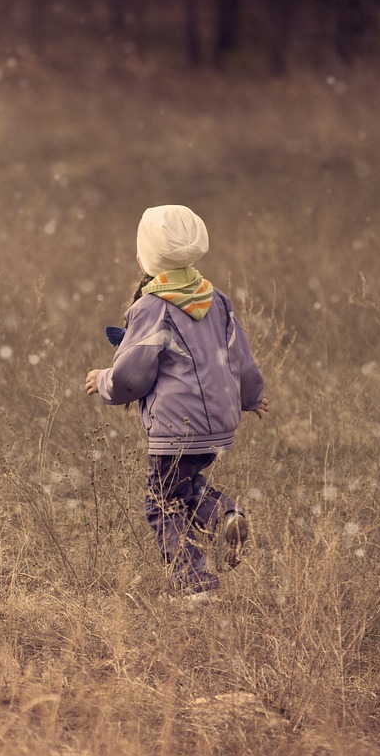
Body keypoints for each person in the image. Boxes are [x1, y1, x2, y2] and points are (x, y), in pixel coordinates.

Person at [85, 204, 268, 598]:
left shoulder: (153, 308)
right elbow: (241, 358)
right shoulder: (218, 301)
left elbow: (132, 376)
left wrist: (103, 381)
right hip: (218, 425)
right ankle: (225, 515)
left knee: (161, 503)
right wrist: (250, 397)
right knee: (182, 489)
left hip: (175, 427)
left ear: (145, 257)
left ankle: (193, 583)